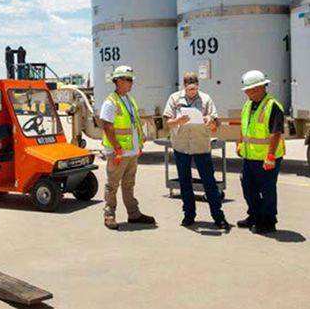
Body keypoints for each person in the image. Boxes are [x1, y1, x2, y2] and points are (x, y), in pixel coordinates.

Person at [163, 72, 229, 229]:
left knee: (209, 183)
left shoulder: (206, 99)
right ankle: (189, 215)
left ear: (198, 85)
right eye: (189, 89)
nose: (192, 91)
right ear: (184, 86)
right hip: (181, 146)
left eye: (195, 88)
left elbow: (215, 125)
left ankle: (218, 217)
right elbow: (167, 122)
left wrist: (209, 121)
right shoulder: (174, 99)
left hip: (201, 146)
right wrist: (177, 120)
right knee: (185, 183)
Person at [100, 65, 156, 230]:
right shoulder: (111, 102)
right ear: (118, 81)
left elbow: (134, 124)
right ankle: (109, 214)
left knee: (129, 184)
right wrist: (117, 147)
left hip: (131, 151)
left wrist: (139, 143)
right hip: (119, 152)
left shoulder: (130, 100)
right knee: (112, 185)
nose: (131, 83)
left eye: (131, 80)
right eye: (128, 80)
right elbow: (106, 126)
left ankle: (133, 213)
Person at [236, 70, 285, 234]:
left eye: (251, 90)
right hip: (250, 156)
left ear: (261, 87)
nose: (248, 93)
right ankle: (254, 215)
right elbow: (244, 127)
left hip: (267, 158)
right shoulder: (248, 105)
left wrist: (270, 156)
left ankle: (269, 221)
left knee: (267, 190)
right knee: (248, 188)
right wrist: (239, 144)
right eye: (247, 90)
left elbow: (275, 133)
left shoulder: (273, 106)